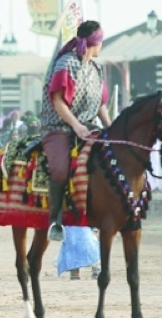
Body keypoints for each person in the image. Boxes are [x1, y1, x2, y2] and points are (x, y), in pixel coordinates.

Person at [39, 19, 110, 241]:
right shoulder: (66, 64)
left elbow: (101, 105)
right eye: (101, 41)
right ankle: (55, 220)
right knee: (60, 169)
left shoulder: (96, 69)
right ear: (94, 43)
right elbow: (58, 100)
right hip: (59, 128)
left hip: (89, 129)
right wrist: (76, 125)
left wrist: (112, 129)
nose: (102, 46)